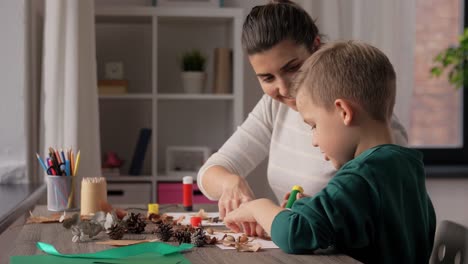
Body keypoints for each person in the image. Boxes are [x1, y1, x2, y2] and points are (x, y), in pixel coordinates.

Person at [196, 0, 408, 233]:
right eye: (267, 78)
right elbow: (210, 171)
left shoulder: (367, 125)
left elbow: (371, 221)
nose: (285, 90)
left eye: (292, 68)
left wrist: (266, 211)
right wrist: (231, 183)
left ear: (315, 47)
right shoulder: (274, 106)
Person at [223, 41, 436, 263]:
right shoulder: (406, 165)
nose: (314, 140)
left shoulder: (361, 174)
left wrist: (259, 207)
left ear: (343, 112)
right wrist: (314, 208)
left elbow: (295, 233)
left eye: (314, 125)